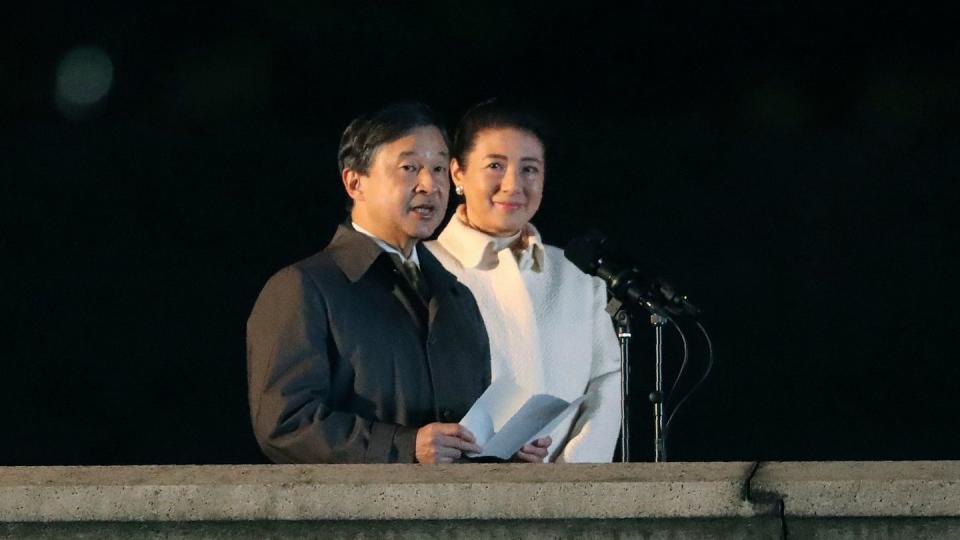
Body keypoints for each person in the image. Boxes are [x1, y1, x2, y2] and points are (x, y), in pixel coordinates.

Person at [247, 103, 548, 464]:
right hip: (360, 517)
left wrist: (500, 452)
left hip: (452, 517)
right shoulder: (304, 287)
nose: (431, 185)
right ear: (354, 182)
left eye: (438, 169)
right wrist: (404, 447)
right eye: (410, 168)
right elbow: (285, 424)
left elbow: (461, 431)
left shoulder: (455, 295)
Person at [427, 100, 622, 462]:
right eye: (495, 166)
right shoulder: (425, 266)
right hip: (456, 492)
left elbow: (607, 383)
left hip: (566, 500)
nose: (513, 184)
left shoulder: (576, 275)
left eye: (529, 169)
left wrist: (571, 476)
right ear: (457, 173)